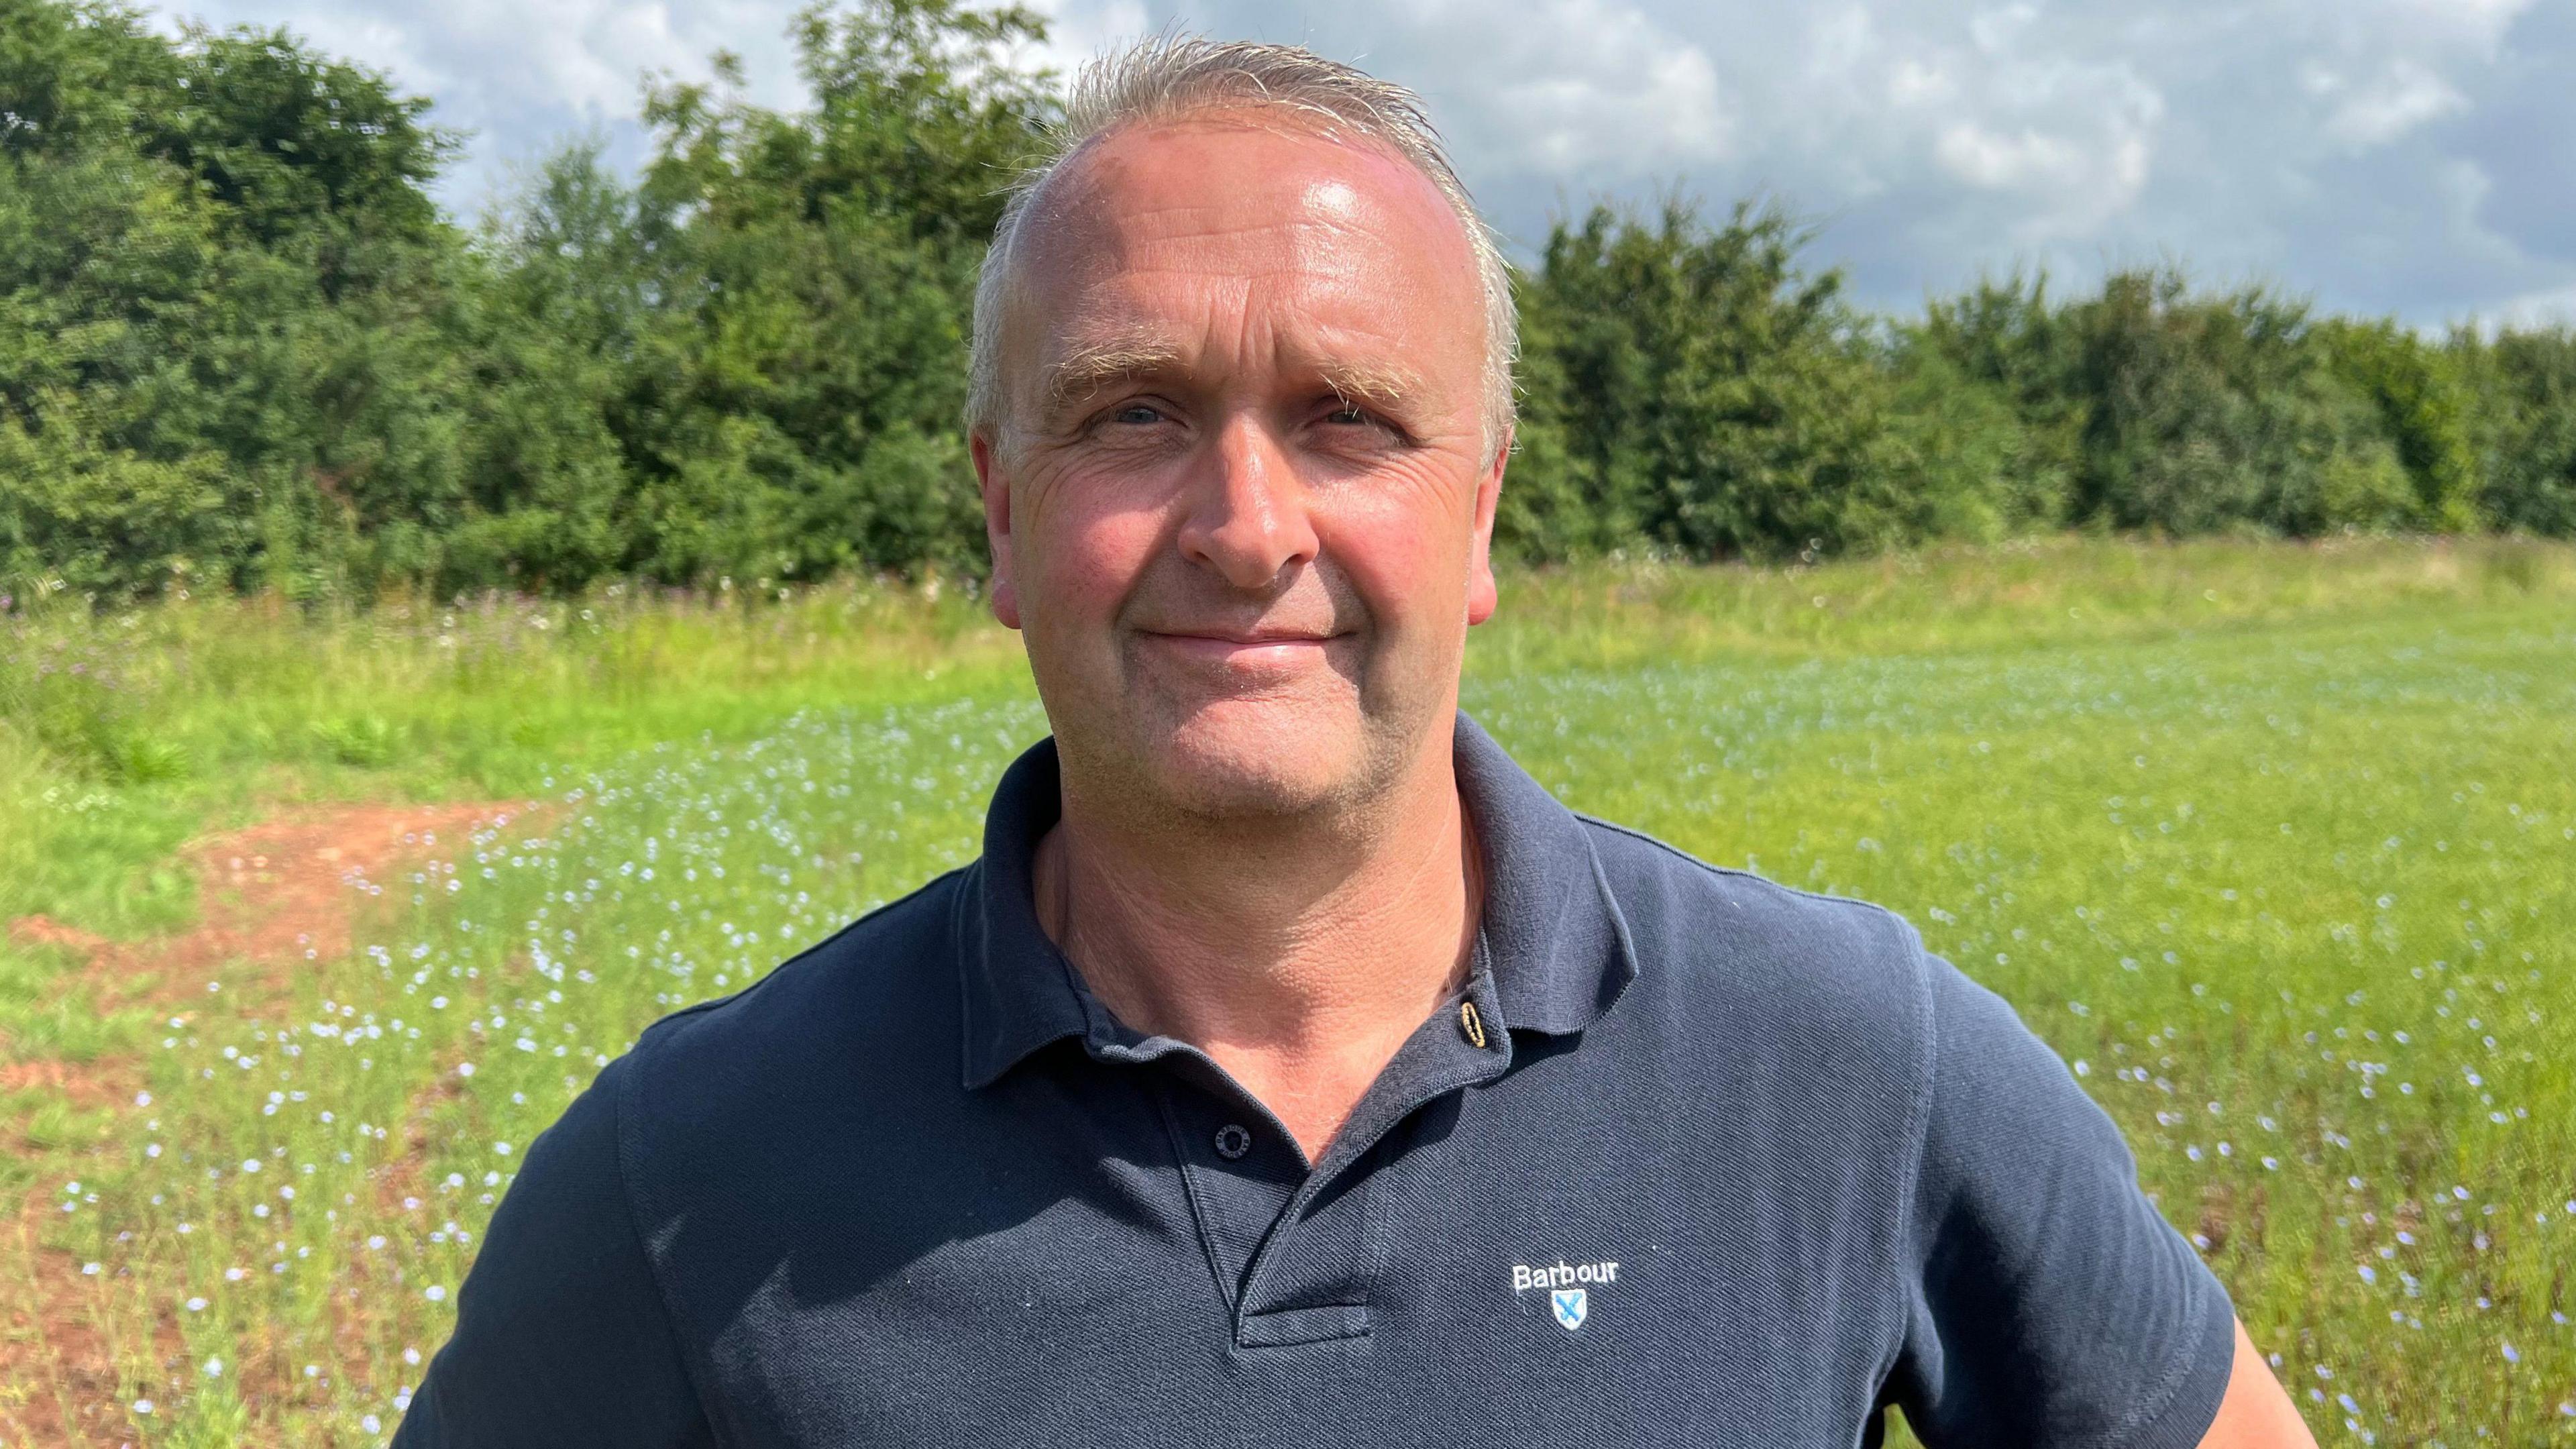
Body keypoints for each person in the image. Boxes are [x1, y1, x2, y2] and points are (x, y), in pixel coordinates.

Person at [394, 38, 2320, 1448]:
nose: (1246, 525)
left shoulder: (1845, 1061)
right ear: (1000, 516)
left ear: (1480, 515)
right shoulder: (687, 1170)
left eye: (1347, 420)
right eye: (1134, 412)